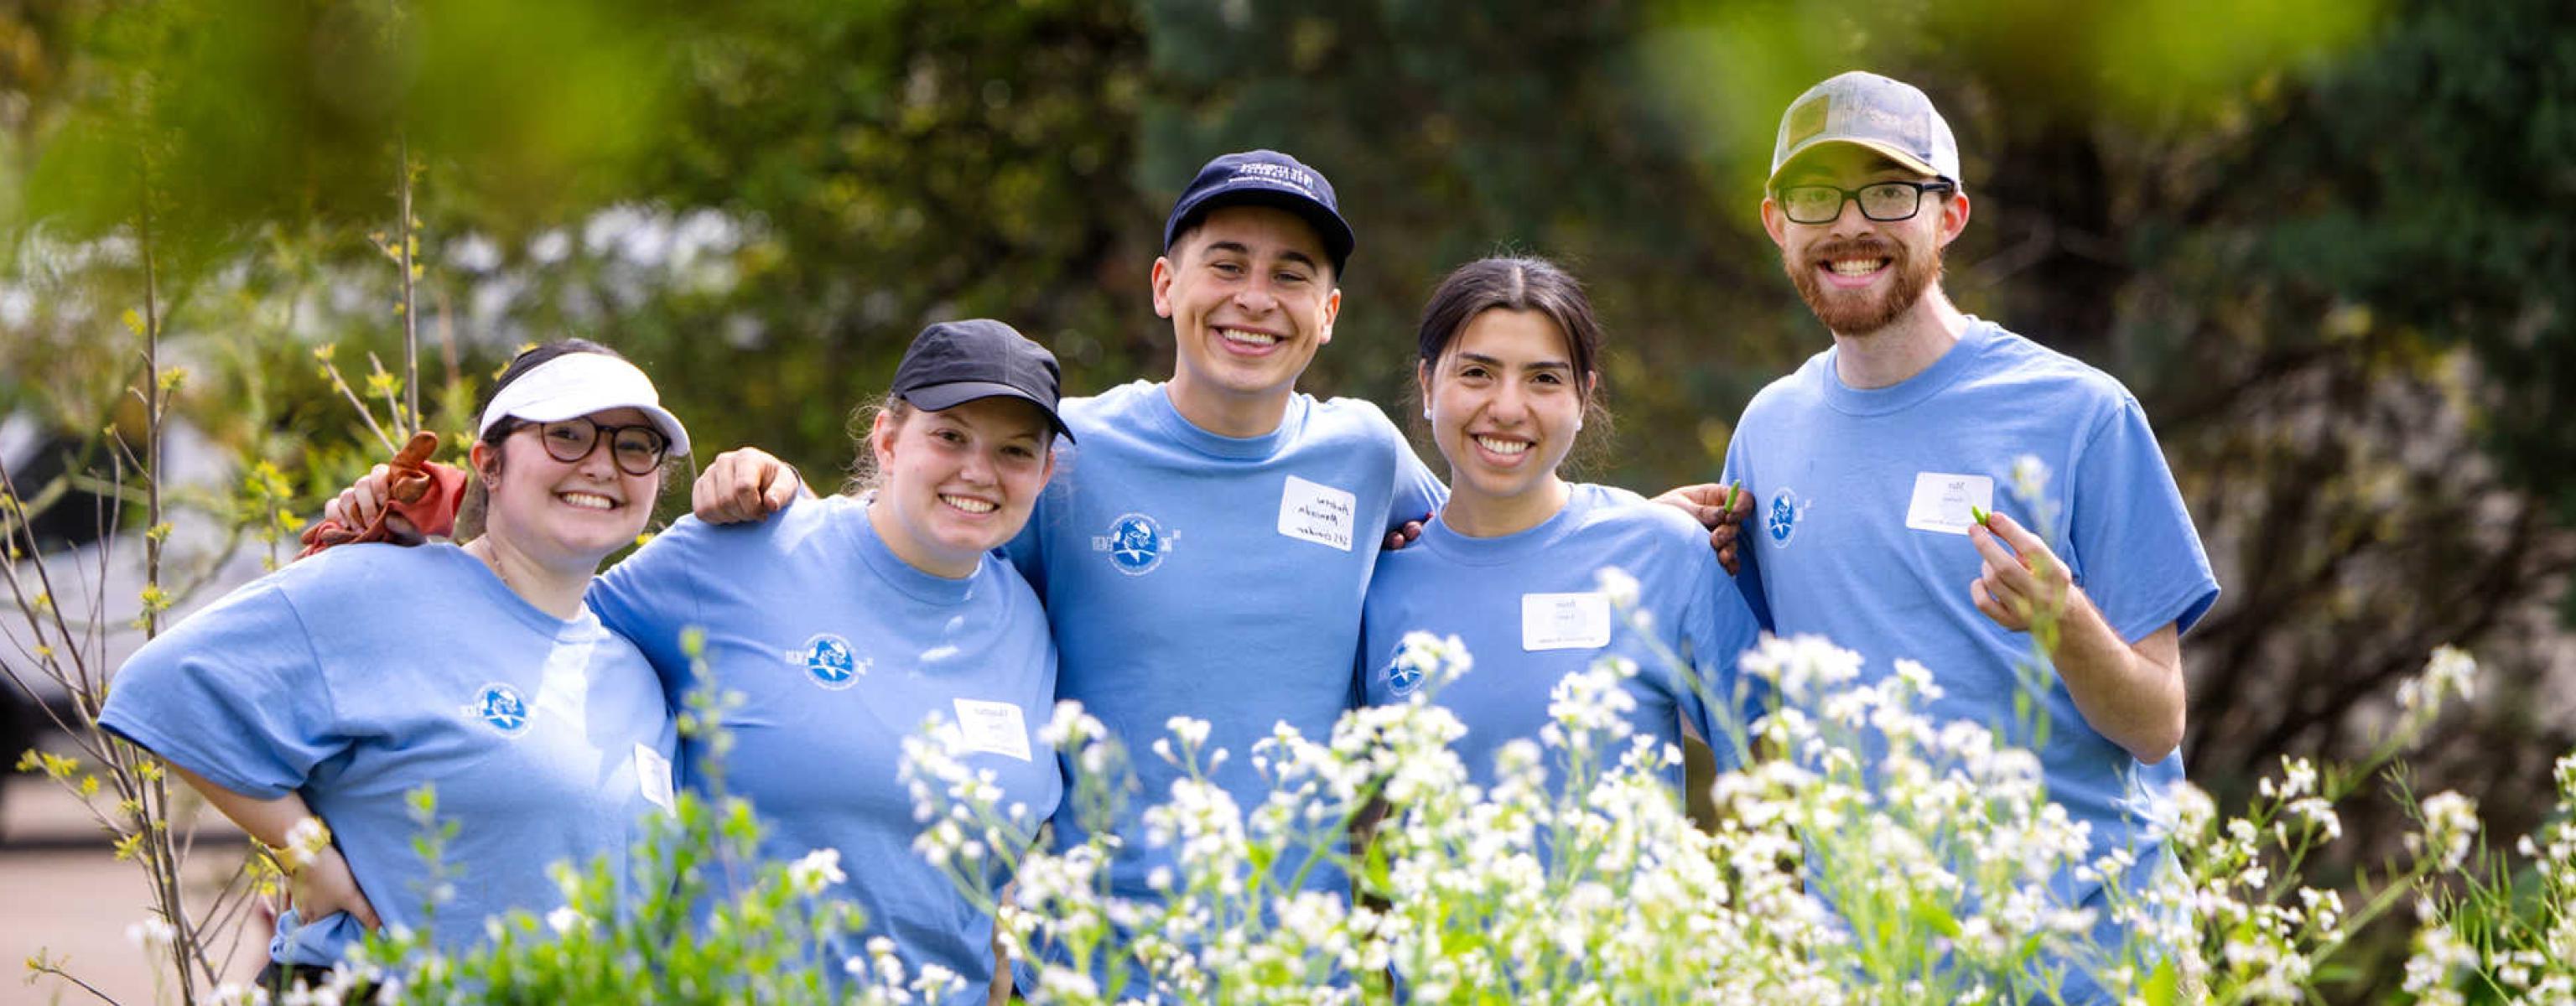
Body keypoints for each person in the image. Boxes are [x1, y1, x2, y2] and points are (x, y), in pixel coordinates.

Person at [694, 152, 1447, 947]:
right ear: (1164, 285)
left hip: (1304, 964)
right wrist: (779, 495)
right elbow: (903, 557)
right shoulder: (1066, 454)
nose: (1254, 299)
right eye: (1226, 265)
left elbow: (1481, 558)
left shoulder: (1368, 453)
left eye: (1290, 276)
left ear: (1328, 312)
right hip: (1090, 960)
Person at [1665, 71, 2220, 998]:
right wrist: (1651, 560)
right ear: (1777, 224)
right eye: (1816, 197)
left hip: (2091, 960)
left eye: (1888, 192)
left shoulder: (2081, 414)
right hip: (1881, 965)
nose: (1850, 225)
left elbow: (2157, 723)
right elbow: (1740, 714)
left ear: (1950, 215)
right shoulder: (1768, 430)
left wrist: (2065, 623)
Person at [329, 321, 1072, 1004]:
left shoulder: (1032, 624)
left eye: (1014, 450)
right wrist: (405, 549)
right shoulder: (746, 548)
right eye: (950, 436)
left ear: (1042, 476)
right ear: (886, 440)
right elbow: (526, 621)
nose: (979, 471)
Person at [99, 340, 688, 991]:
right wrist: (306, 854)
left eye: (634, 445)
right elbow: (164, 686)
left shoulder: (636, 667)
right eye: (568, 435)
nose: (602, 465)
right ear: (488, 465)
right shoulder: (381, 584)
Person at [1360, 257, 1762, 797]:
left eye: (1544, 379)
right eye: (1477, 373)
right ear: (1428, 386)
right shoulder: (1374, 587)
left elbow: (1772, 770)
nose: (1506, 408)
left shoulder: (1663, 553)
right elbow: (1355, 824)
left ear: (1583, 398)